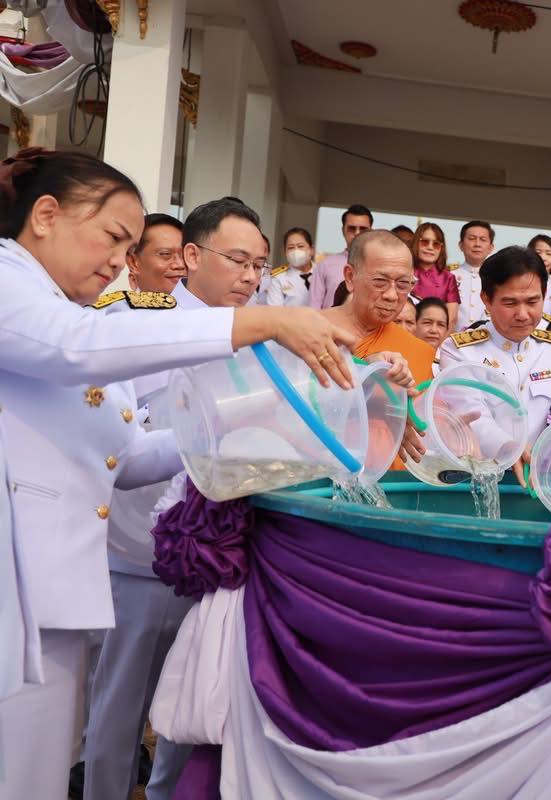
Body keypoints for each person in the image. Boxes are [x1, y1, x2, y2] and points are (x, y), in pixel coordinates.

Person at [0, 149, 358, 800]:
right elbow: (77, 348)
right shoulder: (14, 286)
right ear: (46, 215)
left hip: (49, 594)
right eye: (113, 238)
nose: (119, 260)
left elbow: (130, 457)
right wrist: (268, 320)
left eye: (129, 245)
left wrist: (254, 434)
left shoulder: (64, 316)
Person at [81, 197, 277, 800]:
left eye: (259, 265)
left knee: (193, 704)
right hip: (137, 553)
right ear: (192, 256)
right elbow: (117, 447)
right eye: (238, 260)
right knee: (118, 708)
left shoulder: (259, 338)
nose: (249, 276)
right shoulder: (136, 324)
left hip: (215, 560)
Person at [438, 246, 551, 487]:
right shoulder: (459, 350)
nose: (523, 314)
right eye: (510, 303)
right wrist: (509, 448)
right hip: (478, 478)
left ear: (544, 294)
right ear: (486, 299)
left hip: (537, 477)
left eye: (532, 301)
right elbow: (473, 414)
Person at [322, 230, 432, 470]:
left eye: (404, 284)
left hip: (386, 482)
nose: (393, 295)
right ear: (350, 277)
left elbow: (420, 425)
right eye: (380, 282)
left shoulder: (417, 351)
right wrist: (366, 377)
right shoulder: (310, 332)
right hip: (317, 473)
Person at [309, 204, 373, 309]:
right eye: (352, 228)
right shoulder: (325, 265)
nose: (357, 233)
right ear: (343, 230)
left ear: (371, 231)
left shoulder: (378, 265)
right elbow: (314, 308)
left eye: (363, 229)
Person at [411, 222, 461, 328]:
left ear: (441, 249)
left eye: (436, 244)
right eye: (424, 242)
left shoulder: (448, 278)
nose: (430, 247)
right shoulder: (404, 272)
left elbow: (451, 320)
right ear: (416, 243)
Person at [451, 220, 495, 330]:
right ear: (461, 245)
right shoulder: (450, 276)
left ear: (491, 247)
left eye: (483, 239)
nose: (477, 244)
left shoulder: (497, 278)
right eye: (471, 238)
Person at [124, 213, 184, 294]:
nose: (180, 265)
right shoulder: (117, 306)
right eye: (165, 254)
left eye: (185, 255)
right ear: (133, 262)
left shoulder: (203, 305)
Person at [266, 226, 315, 307]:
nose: (296, 251)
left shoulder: (323, 272)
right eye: (291, 248)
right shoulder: (278, 278)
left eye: (300, 246)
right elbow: (275, 312)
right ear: (285, 252)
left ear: (311, 250)